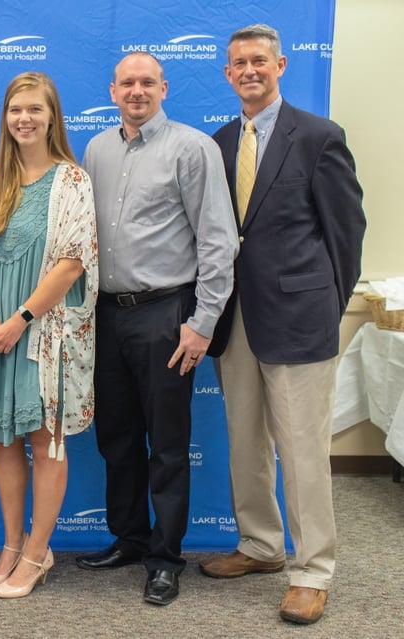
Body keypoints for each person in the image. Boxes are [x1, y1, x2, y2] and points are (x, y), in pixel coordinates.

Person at [199, 24, 366, 625]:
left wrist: (328, 303)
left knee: (300, 450)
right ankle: (261, 546)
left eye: (259, 61)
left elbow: (347, 234)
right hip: (234, 318)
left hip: (300, 317)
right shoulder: (217, 144)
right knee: (245, 442)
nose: (249, 70)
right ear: (227, 73)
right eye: (239, 62)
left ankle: (312, 570)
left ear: (281, 65)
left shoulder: (319, 137)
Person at [75, 53, 239, 606]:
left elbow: (217, 240)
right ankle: (129, 537)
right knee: (117, 437)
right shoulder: (96, 148)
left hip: (168, 313)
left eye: (147, 82)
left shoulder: (194, 148)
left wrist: (203, 323)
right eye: (127, 83)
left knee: (167, 444)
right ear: (112, 89)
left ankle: (165, 559)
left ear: (164, 88)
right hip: (105, 313)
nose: (137, 91)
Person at [0, 71, 99, 600]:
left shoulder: (73, 181)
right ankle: (12, 545)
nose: (25, 118)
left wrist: (19, 320)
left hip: (43, 333)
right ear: (6, 117)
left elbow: (70, 264)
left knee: (47, 443)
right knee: (3, 439)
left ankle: (39, 553)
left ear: (51, 117)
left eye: (35, 109)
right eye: (16, 109)